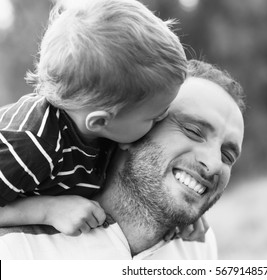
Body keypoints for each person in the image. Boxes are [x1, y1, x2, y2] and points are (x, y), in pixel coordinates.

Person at [0, 59, 246, 259]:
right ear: (131, 129)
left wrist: (183, 201)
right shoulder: (14, 247)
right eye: (193, 131)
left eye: (227, 155)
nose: (213, 164)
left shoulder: (197, 247)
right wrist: (44, 210)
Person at [0, 0, 190, 236]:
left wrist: (179, 211)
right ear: (100, 120)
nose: (164, 117)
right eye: (153, 116)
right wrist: (47, 210)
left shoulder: (105, 127)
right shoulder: (31, 146)